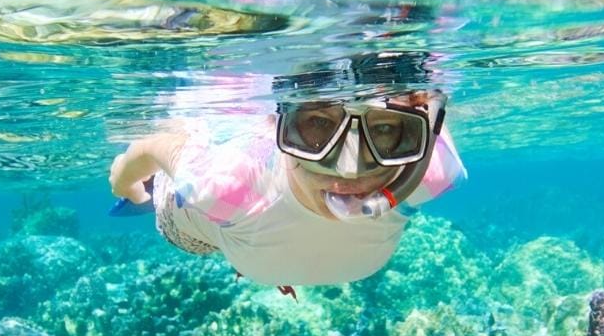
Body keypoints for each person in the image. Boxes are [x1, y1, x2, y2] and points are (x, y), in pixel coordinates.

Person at [106, 51, 466, 296]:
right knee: (192, 154)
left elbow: (431, 112)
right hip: (196, 225)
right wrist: (129, 186)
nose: (350, 168)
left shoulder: (428, 172)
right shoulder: (222, 185)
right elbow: (153, 147)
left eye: (386, 131)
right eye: (317, 127)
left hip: (245, 228)